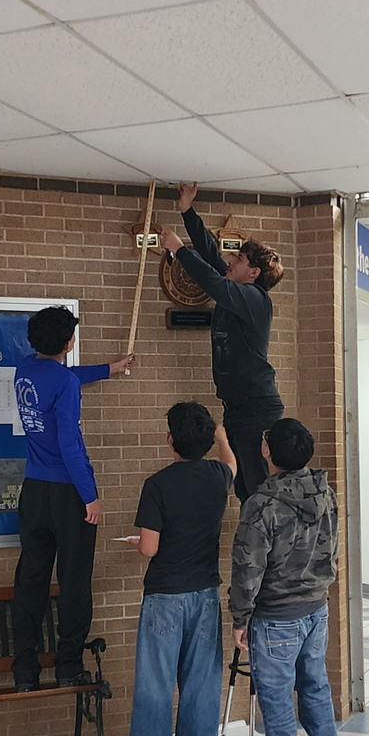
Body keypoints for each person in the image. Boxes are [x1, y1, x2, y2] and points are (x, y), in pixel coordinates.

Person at [12, 305, 133, 693]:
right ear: (69, 342)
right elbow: (70, 443)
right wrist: (90, 497)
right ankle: (68, 666)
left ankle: (25, 672)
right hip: (68, 494)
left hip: (33, 492)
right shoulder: (62, 383)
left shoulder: (25, 369)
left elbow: (65, 376)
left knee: (31, 580)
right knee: (75, 582)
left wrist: (108, 368)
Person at [120, 402, 236, 736]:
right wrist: (221, 437)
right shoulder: (218, 476)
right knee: (201, 688)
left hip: (164, 596)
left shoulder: (158, 484)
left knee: (155, 686)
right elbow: (232, 464)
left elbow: (149, 548)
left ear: (170, 439)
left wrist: (139, 543)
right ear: (207, 439)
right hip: (205, 595)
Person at [230, 417, 346, 736]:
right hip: (317, 606)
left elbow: (249, 567)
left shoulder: (261, 504)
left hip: (277, 614)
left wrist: (240, 617)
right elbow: (333, 546)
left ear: (267, 451)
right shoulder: (325, 492)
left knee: (276, 694)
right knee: (315, 685)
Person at [161, 182, 284, 502]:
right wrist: (187, 211)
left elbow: (213, 281)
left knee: (260, 490)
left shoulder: (254, 299)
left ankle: (268, 551)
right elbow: (210, 254)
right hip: (238, 407)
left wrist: (178, 249)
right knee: (244, 489)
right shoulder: (236, 288)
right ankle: (255, 549)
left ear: (254, 272)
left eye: (239, 258)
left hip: (257, 409)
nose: (231, 260)